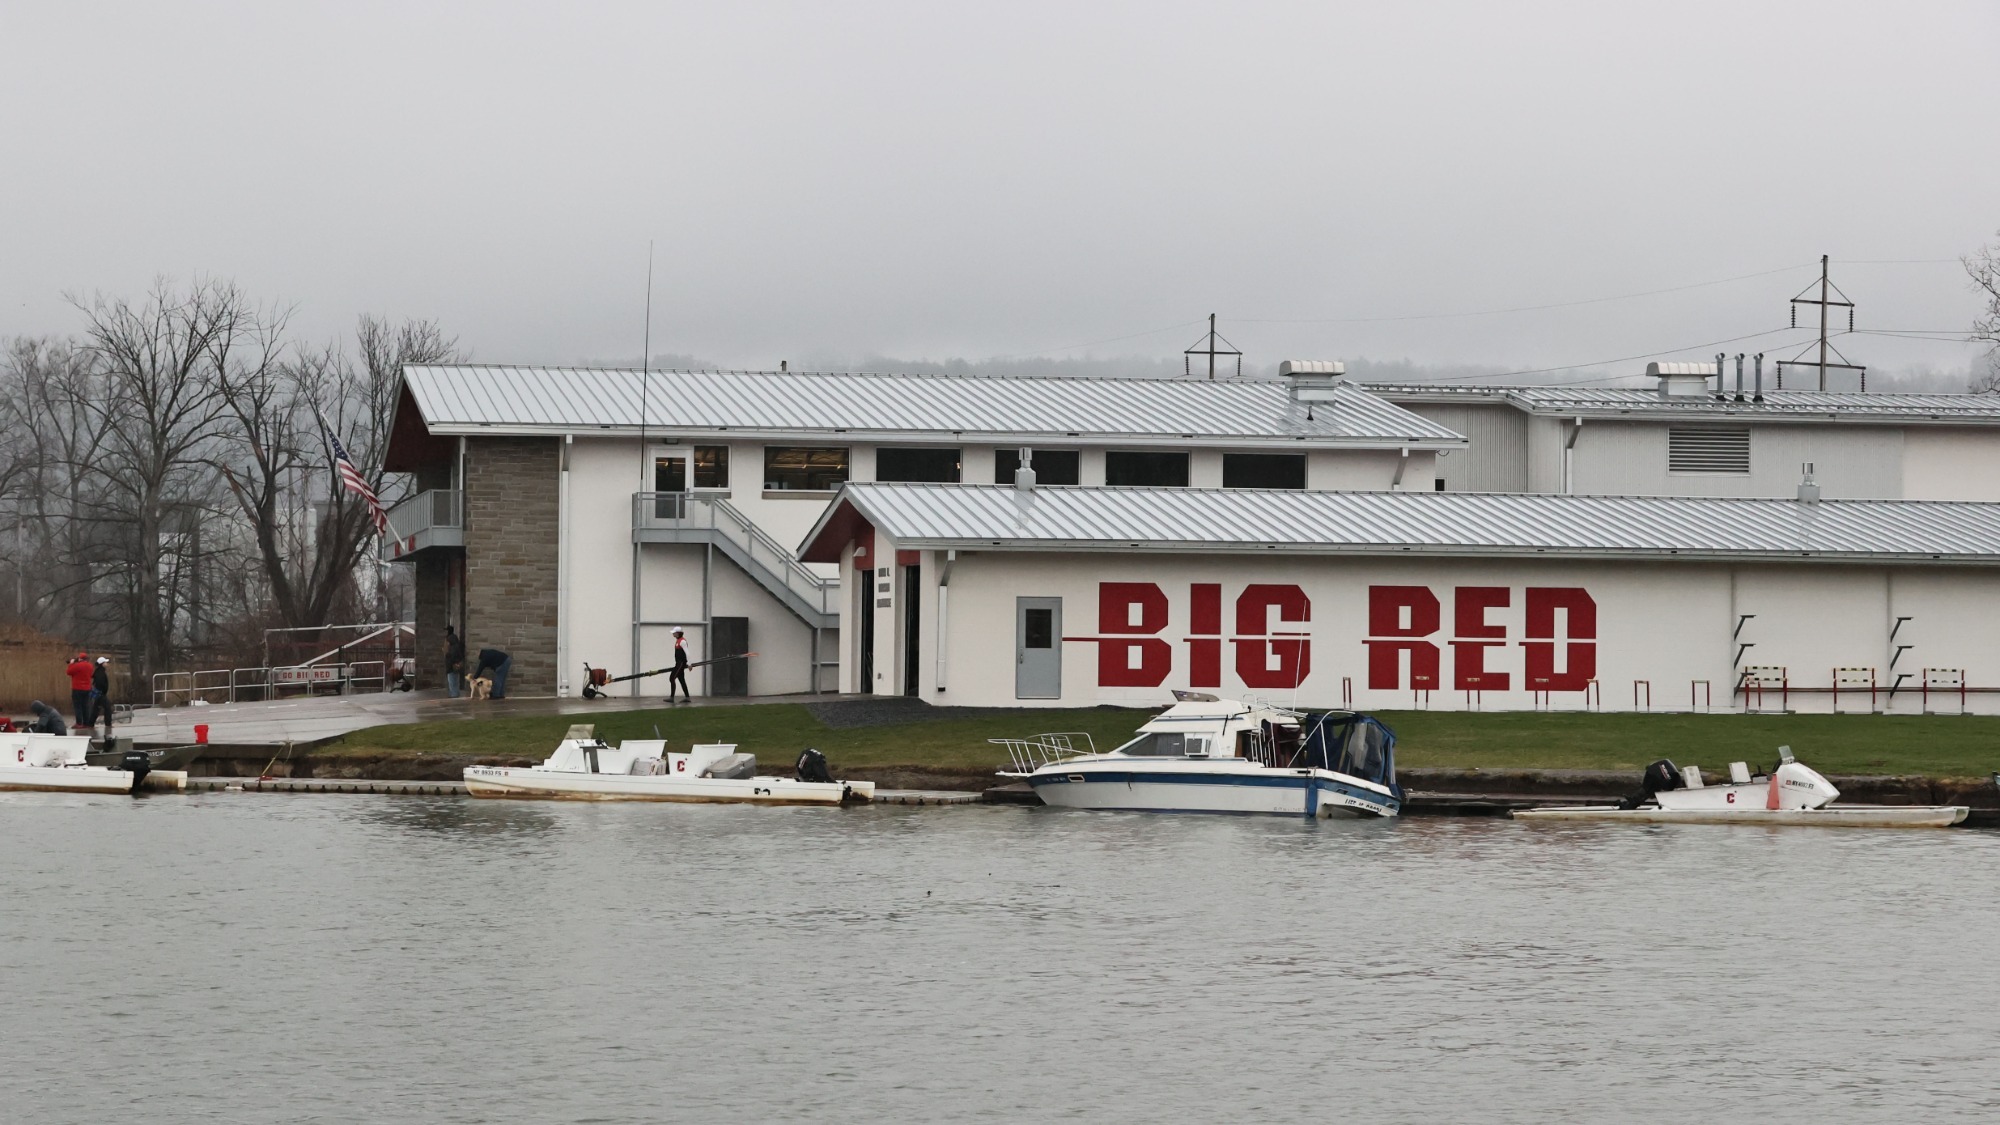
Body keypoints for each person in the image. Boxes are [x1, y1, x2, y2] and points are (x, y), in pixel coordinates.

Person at [66, 652, 95, 728]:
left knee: (78, 706)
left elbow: (69, 672)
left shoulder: (77, 665)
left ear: (80, 658)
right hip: (87, 689)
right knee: (86, 706)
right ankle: (86, 723)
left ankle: (79, 723)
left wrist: (71, 663)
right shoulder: (90, 666)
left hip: (77, 688)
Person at [667, 626, 692, 703]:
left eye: (674, 633)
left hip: (681, 663)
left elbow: (687, 653)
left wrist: (689, 664)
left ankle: (671, 698)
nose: (673, 634)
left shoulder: (682, 641)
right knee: (682, 680)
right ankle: (687, 698)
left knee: (672, 678)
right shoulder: (678, 640)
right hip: (678, 663)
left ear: (678, 633)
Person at [444, 625, 466, 698]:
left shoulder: (452, 648)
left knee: (452, 680)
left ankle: (454, 694)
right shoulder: (458, 645)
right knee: (455, 680)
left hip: (452, 665)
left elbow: (451, 657)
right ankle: (455, 693)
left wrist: (447, 655)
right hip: (457, 665)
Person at [90, 656, 110, 735]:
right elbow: (100, 683)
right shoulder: (100, 672)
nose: (107, 663)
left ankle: (90, 723)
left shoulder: (99, 671)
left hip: (99, 694)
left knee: (96, 709)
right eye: (105, 662)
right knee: (107, 708)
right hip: (101, 694)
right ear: (102, 664)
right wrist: (102, 690)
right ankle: (108, 724)